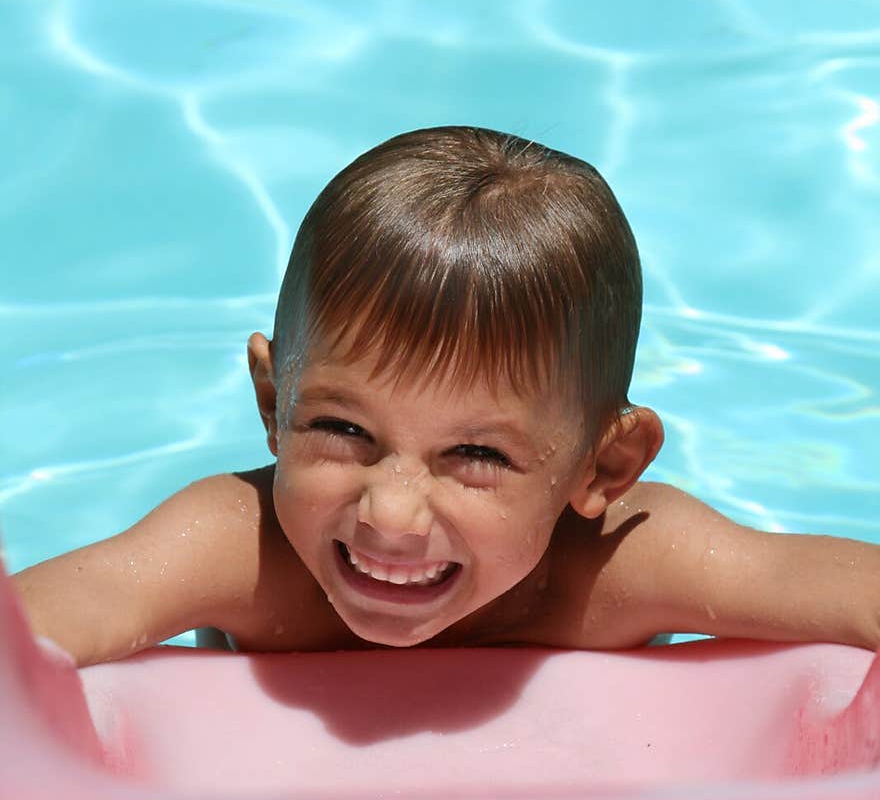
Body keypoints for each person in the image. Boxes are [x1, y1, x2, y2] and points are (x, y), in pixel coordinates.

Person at [12, 126, 879, 667]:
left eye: (476, 455)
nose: (391, 514)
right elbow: (63, 615)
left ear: (603, 466)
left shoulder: (621, 568)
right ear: (272, 403)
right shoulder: (241, 552)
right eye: (343, 428)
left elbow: (837, 587)